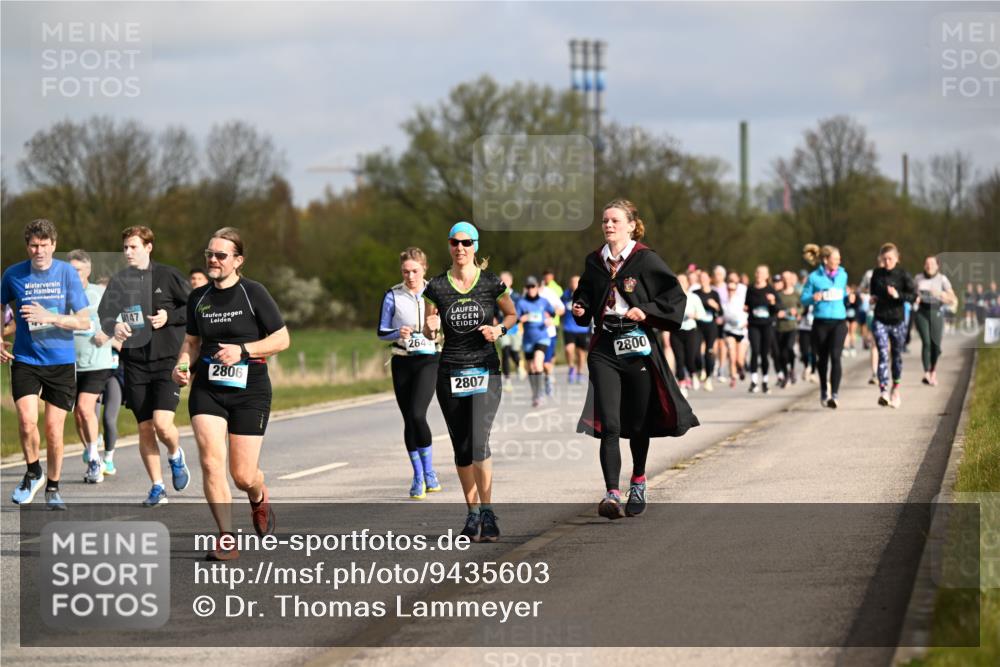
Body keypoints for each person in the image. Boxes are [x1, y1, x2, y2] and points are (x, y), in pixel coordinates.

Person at [571, 199, 699, 520]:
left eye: (615, 221)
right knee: (610, 423)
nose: (608, 225)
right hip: (604, 347)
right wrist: (580, 307)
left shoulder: (645, 259)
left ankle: (638, 480)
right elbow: (585, 294)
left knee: (639, 423)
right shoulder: (594, 261)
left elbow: (674, 297)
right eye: (605, 221)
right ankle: (611, 494)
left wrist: (647, 310)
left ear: (631, 225)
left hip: (637, 346)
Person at [174, 227, 290, 561]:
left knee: (242, 475)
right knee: (211, 462)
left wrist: (243, 350)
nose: (212, 260)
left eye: (220, 255)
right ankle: (226, 537)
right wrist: (182, 364)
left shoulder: (253, 293)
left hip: (250, 390)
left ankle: (257, 492)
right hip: (208, 389)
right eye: (209, 254)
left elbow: (282, 339)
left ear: (238, 261)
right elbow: (192, 342)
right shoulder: (198, 297)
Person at [422, 222, 516, 543]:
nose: (460, 248)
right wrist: (430, 327)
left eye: (466, 242)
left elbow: (511, 315)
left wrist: (499, 330)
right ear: (449, 246)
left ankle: (488, 512)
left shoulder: (491, 283)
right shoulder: (436, 287)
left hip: (485, 370)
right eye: (454, 242)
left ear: (475, 246)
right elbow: (429, 331)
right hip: (450, 372)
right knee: (462, 448)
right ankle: (472, 513)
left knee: (479, 442)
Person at [99, 226, 191, 506]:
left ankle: (175, 454)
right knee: (145, 427)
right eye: (125, 247)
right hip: (135, 363)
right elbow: (104, 315)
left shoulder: (168, 276)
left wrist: (169, 317)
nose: (128, 252)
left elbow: (194, 307)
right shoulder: (119, 281)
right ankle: (157, 486)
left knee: (162, 424)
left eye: (133, 247)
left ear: (148, 247)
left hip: (166, 361)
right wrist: (115, 327)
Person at [2, 219, 90, 509]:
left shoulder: (66, 274)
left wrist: (50, 317)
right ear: (27, 246)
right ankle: (33, 471)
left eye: (44, 245)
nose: (38, 251)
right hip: (26, 359)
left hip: (60, 362)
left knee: (53, 430)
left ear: (54, 245)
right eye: (33, 245)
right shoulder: (13, 274)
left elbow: (84, 321)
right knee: (27, 421)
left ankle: (53, 487)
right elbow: (1, 307)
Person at [377, 247, 442, 499]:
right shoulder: (392, 295)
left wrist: (438, 328)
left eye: (414, 271)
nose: (410, 276)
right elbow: (381, 331)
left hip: (429, 359)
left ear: (424, 268)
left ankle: (430, 471)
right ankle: (418, 476)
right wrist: (398, 332)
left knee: (417, 414)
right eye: (405, 272)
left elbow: (450, 325)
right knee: (408, 420)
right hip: (402, 360)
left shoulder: (436, 292)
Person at [67, 249, 118, 483]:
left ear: (88, 270)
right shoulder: (61, 294)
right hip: (69, 363)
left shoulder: (100, 293)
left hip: (97, 362)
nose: (73, 274)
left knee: (85, 408)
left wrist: (106, 334)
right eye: (70, 270)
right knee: (78, 414)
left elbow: (119, 321)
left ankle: (96, 460)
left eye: (78, 270)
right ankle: (91, 449)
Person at [801, 243, 849, 409]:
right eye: (835, 259)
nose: (838, 261)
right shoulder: (814, 277)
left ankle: (834, 395)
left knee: (836, 357)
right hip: (821, 322)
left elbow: (843, 294)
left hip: (839, 322)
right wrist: (813, 297)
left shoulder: (843, 275)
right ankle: (824, 389)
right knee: (823, 359)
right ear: (826, 260)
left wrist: (849, 297)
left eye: (839, 259)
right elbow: (803, 299)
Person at [870, 243, 917, 408]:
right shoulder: (877, 273)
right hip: (880, 319)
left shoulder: (903, 275)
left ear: (897, 258)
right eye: (884, 259)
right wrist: (873, 298)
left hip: (898, 321)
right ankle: (883, 390)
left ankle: (895, 389)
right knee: (883, 354)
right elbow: (873, 292)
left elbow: (913, 296)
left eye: (890, 259)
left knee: (896, 356)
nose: (887, 262)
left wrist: (898, 295)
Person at [914, 256, 957, 387]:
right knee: (926, 342)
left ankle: (933, 370)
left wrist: (939, 294)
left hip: (936, 312)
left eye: (932, 264)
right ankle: (926, 373)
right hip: (921, 312)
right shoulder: (918, 278)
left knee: (936, 346)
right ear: (924, 265)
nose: (929, 266)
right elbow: (911, 293)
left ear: (937, 266)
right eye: (927, 263)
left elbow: (952, 298)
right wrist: (915, 298)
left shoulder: (942, 279)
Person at [517, 276, 557, 408]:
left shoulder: (543, 301)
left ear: (537, 287)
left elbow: (553, 313)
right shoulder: (521, 303)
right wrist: (521, 318)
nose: (531, 289)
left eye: (533, 286)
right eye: (528, 287)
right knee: (530, 368)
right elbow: (515, 318)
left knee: (538, 364)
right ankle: (535, 392)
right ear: (526, 288)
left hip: (542, 337)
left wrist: (550, 319)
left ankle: (540, 395)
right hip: (528, 339)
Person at [670, 272, 706, 397]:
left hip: (691, 331)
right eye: (678, 281)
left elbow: (702, 314)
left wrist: (694, 315)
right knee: (679, 359)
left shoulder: (694, 297)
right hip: (676, 332)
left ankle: (693, 374)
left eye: (683, 281)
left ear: (687, 283)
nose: (681, 284)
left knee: (690, 358)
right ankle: (682, 384)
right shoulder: (671, 298)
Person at [745, 265, 778, 394]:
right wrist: (746, 307)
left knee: (764, 353)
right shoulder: (750, 289)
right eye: (758, 272)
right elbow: (747, 304)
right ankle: (753, 381)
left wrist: (772, 302)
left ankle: (765, 381)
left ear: (767, 275)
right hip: (754, 324)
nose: (759, 275)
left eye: (762, 273)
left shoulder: (770, 289)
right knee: (755, 351)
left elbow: (777, 309)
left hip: (767, 325)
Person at [539, 270, 565, 396]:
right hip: (532, 335)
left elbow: (562, 309)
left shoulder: (549, 292)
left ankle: (548, 378)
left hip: (549, 332)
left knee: (545, 363)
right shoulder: (527, 294)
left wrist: (552, 316)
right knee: (536, 363)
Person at [496, 271, 524, 391]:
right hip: (502, 328)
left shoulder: (517, 297)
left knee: (514, 352)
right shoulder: (497, 295)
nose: (504, 282)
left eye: (506, 280)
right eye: (501, 280)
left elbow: (521, 312)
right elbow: (494, 310)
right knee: (505, 351)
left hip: (515, 329)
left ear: (511, 282)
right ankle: (507, 380)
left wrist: (522, 318)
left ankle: (519, 364)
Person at [561, 275, 591, 384]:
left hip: (583, 329)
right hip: (568, 328)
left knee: (581, 353)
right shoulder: (565, 295)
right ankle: (571, 368)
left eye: (576, 282)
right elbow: (560, 307)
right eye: (572, 282)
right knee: (569, 349)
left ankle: (579, 373)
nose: (574, 284)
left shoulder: (586, 294)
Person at [695, 270, 722, 392]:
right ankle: (700, 370)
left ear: (710, 279)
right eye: (701, 277)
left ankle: (709, 378)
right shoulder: (695, 293)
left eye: (705, 277)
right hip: (698, 325)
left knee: (709, 352)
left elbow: (721, 312)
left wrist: (716, 306)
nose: (703, 280)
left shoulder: (714, 293)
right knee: (696, 351)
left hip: (711, 326)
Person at [721, 272, 748, 388]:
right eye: (728, 289)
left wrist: (746, 321)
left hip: (741, 331)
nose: (730, 291)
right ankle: (733, 377)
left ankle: (741, 368)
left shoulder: (741, 300)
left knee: (739, 360)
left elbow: (747, 311)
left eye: (733, 289)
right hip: (729, 331)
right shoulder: (724, 302)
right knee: (732, 356)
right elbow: (722, 315)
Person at [776, 271, 800, 388]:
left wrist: (797, 312)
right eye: (783, 278)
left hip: (792, 326)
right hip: (780, 327)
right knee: (781, 353)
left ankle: (792, 369)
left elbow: (802, 307)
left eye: (787, 278)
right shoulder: (778, 294)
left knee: (789, 348)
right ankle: (786, 375)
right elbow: (773, 308)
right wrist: (777, 313)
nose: (785, 280)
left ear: (791, 279)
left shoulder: (796, 294)